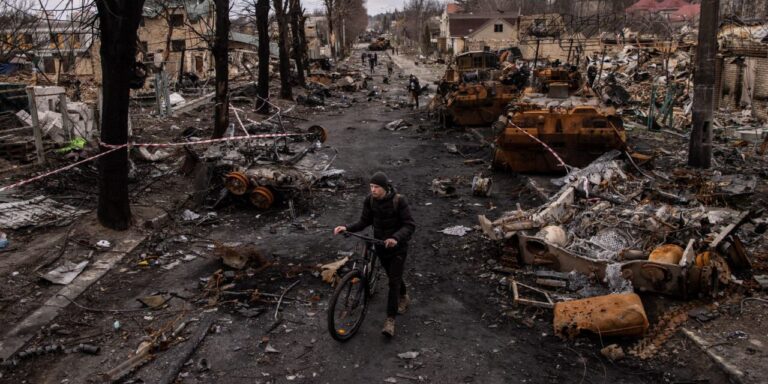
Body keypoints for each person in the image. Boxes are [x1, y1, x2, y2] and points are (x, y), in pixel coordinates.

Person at [334, 172, 416, 338]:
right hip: (380, 245)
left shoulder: (399, 201)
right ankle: (404, 296)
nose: (373, 190)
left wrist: (395, 238)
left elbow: (409, 225)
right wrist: (346, 228)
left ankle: (390, 320)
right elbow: (364, 222)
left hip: (397, 248)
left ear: (385, 188)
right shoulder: (370, 200)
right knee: (393, 276)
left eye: (376, 187)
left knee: (393, 282)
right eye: (371, 186)